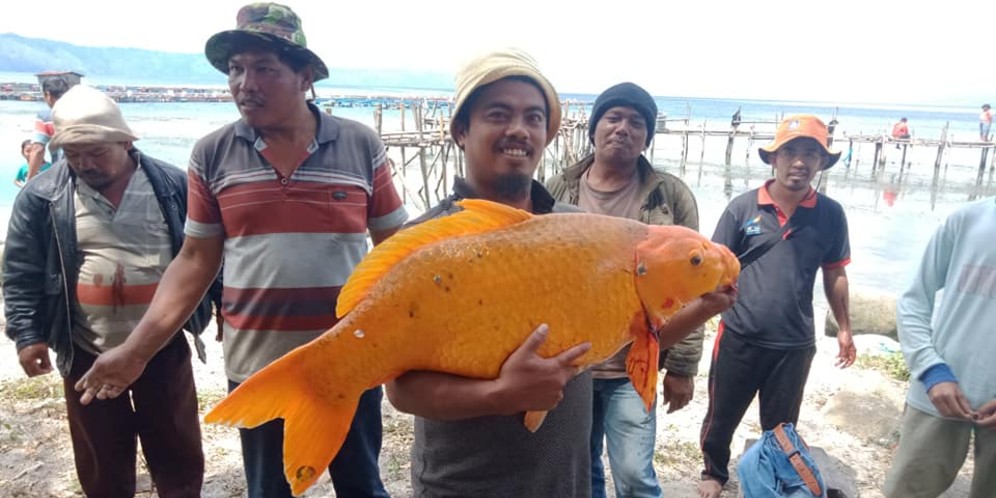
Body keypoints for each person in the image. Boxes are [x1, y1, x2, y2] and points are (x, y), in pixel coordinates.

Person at [71, 3, 407, 497]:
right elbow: (194, 260)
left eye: (265, 69)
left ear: (306, 76)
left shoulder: (359, 144)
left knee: (361, 485)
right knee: (268, 490)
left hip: (347, 362)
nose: (244, 83)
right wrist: (136, 350)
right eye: (235, 69)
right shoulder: (212, 153)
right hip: (258, 366)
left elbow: (396, 250)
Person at [384, 48, 598, 498]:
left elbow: (616, 330)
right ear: (461, 130)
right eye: (499, 114)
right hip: (463, 484)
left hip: (566, 482)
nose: (518, 130)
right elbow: (401, 389)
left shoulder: (577, 230)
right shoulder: (424, 241)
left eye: (534, 118)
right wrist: (501, 395)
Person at [3, 85, 217, 497]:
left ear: (126, 141)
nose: (84, 162)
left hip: (161, 343)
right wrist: (28, 336)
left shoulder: (172, 186)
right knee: (101, 455)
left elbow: (206, 255)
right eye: (73, 153)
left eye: (96, 151)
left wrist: (221, 308)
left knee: (176, 444)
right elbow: (21, 269)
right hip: (85, 347)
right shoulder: (42, 195)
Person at [545, 81, 735, 498]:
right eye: (613, 118)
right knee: (584, 470)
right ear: (593, 128)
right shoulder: (558, 189)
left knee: (634, 475)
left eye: (636, 122)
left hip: (636, 361)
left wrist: (682, 368)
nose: (623, 128)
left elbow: (695, 286)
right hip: (571, 363)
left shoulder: (669, 197)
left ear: (647, 136)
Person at [697, 114, 855, 498]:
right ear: (774, 158)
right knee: (721, 416)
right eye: (790, 152)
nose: (799, 161)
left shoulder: (831, 214)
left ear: (821, 163)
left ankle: (771, 477)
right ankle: (714, 472)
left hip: (794, 341)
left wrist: (845, 328)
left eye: (810, 154)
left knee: (782, 426)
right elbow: (712, 268)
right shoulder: (742, 208)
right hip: (739, 335)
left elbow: (834, 273)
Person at [882, 197, 996, 498]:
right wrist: (932, 370)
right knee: (906, 491)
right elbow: (913, 298)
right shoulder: (967, 220)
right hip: (941, 392)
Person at [26, 76, 72, 181]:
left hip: (62, 175)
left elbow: (38, 149)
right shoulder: (84, 113)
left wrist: (29, 180)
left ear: (47, 95)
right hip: (91, 174)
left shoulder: (45, 116)